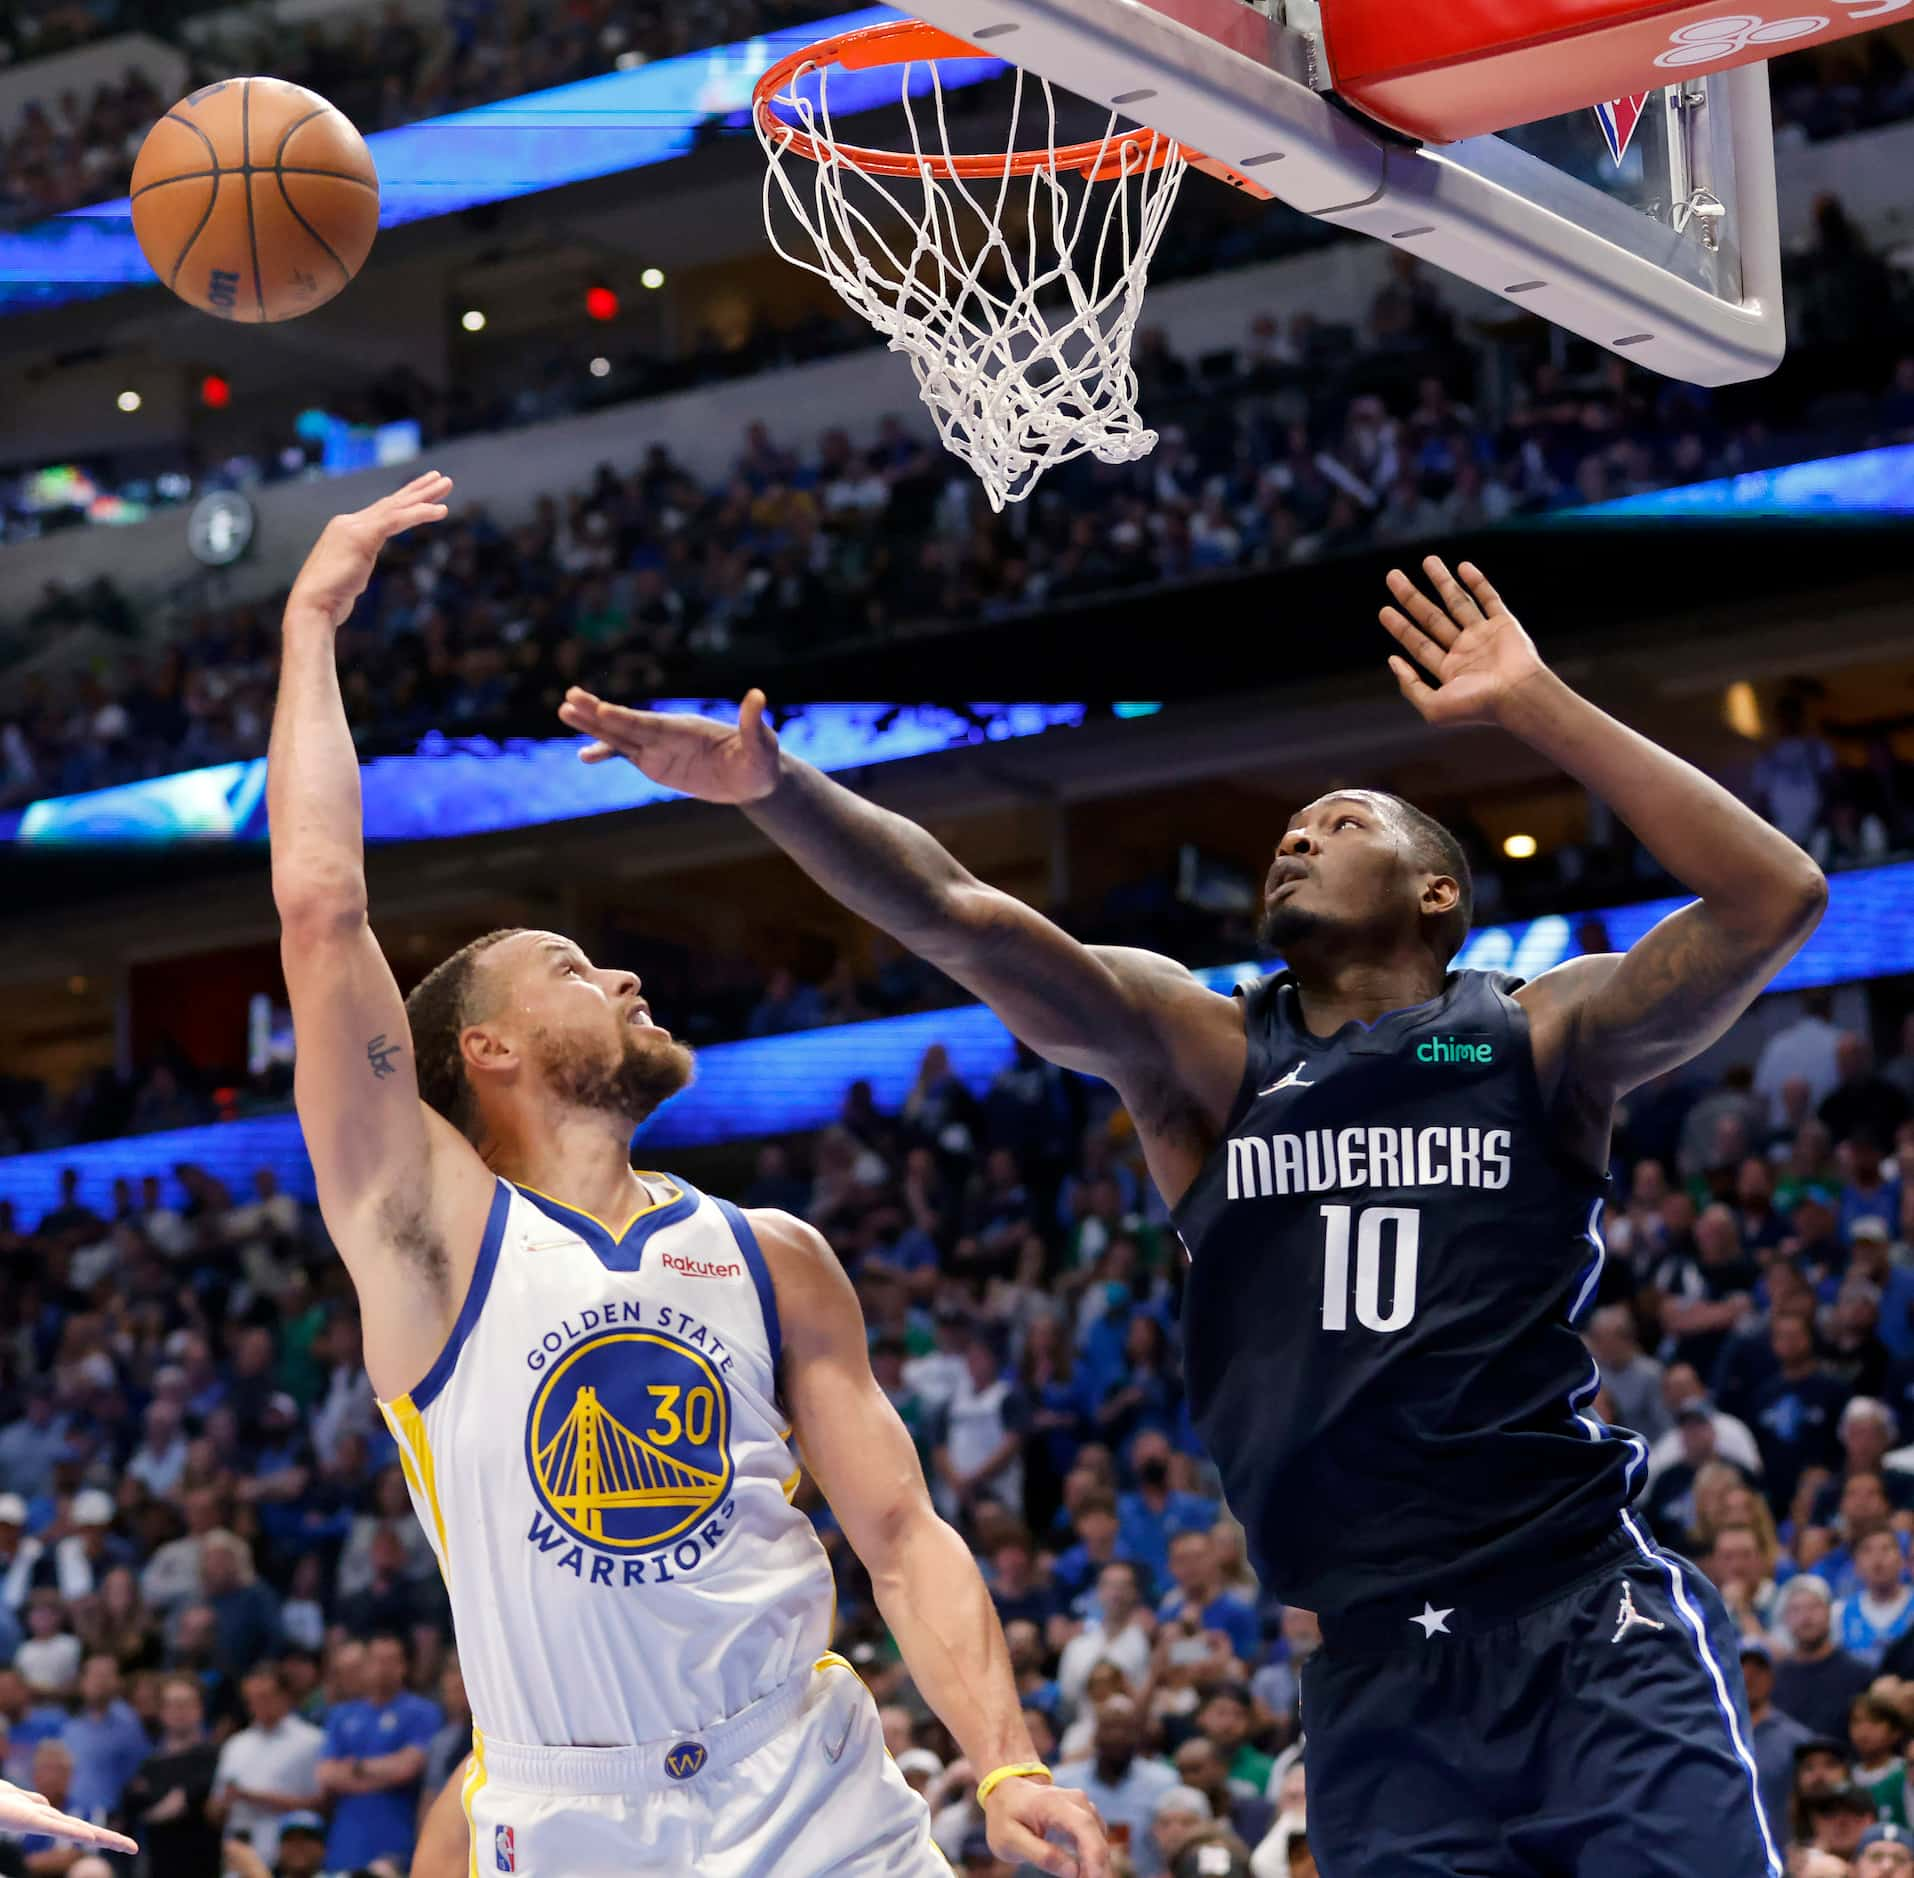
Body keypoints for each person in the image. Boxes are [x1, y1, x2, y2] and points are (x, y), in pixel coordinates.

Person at [564, 552, 1831, 1877]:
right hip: (1371, 1662)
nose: (1296, 833)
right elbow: (963, 918)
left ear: (1436, 892)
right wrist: (779, 789)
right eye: (1290, 827)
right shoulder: (1208, 1056)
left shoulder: (1537, 1031)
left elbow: (1773, 896)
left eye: (1342, 824)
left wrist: (1533, 703)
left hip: (1583, 1615)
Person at [266, 475, 1103, 1878]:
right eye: (573, 970)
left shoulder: (769, 1251)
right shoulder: (425, 1231)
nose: (625, 971)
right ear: (485, 1050)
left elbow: (898, 1532)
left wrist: (1003, 1756)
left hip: (814, 1785)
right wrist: (308, 621)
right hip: (572, 1811)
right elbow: (319, 906)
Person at [211, 1664, 325, 1866]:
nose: (258, 1703)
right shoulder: (235, 1744)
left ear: (285, 1696)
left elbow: (321, 1804)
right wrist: (222, 1805)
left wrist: (257, 1797)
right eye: (252, 1698)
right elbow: (214, 1808)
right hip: (237, 1854)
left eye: (266, 1696)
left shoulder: (311, 1741)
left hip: (287, 1858)